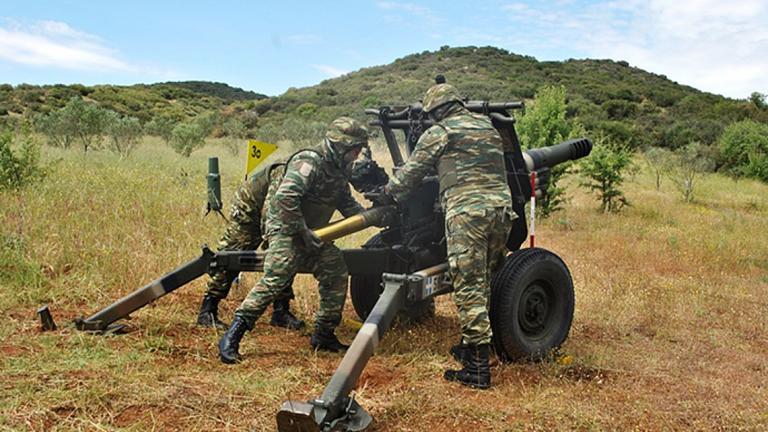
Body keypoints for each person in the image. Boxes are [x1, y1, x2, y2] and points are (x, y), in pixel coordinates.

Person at [383, 83, 515, 389]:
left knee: (467, 285)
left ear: (437, 111)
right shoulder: (487, 127)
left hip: (468, 214)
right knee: (481, 278)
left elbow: (412, 174)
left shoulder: (441, 132)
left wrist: (390, 192)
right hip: (501, 212)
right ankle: (472, 345)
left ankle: (478, 369)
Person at [218, 116, 368, 364]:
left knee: (336, 269)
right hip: (286, 228)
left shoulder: (341, 168)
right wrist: (302, 232)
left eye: (358, 149)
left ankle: (323, 335)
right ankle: (233, 335)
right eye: (353, 149)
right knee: (277, 275)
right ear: (338, 146)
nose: (356, 154)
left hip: (313, 232)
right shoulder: (309, 162)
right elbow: (285, 198)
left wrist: (370, 215)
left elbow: (345, 201)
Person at [197, 163, 304, 331]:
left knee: (287, 256)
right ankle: (208, 310)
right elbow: (270, 210)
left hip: (275, 213)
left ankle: (281, 312)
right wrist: (273, 240)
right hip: (249, 210)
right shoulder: (287, 172)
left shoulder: (314, 175)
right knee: (231, 258)